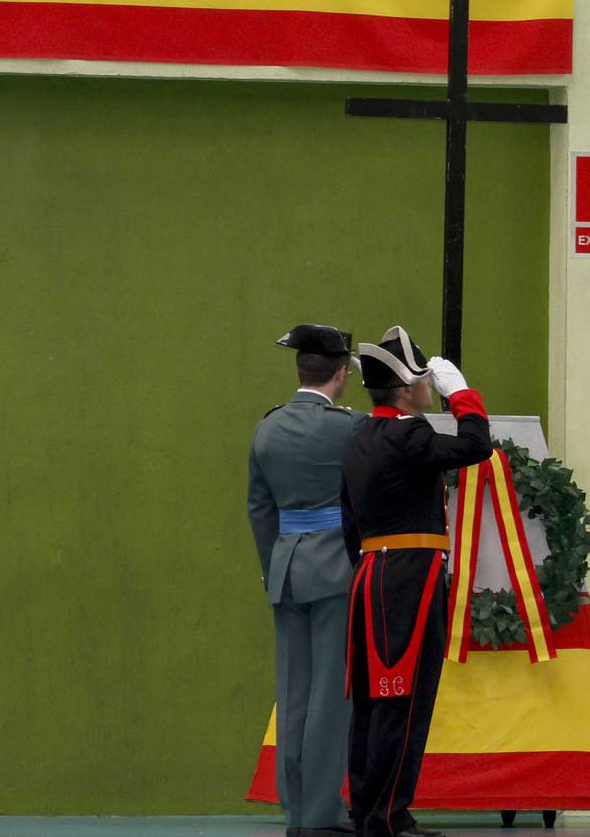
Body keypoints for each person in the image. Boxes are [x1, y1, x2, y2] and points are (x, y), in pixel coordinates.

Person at [340, 326, 490, 837]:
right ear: (407, 389)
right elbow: (476, 445)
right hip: (408, 580)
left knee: (372, 702)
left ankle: (366, 809)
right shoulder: (410, 434)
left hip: (371, 574)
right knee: (404, 700)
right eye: (425, 379)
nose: (430, 387)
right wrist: (462, 393)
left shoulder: (361, 436)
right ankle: (388, 816)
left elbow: (349, 525)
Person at [248, 323, 365, 837]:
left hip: (286, 569)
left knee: (293, 692)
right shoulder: (350, 427)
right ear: (340, 375)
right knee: (329, 698)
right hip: (337, 569)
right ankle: (320, 814)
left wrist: (273, 565)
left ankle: (297, 809)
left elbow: (259, 509)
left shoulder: (266, 428)